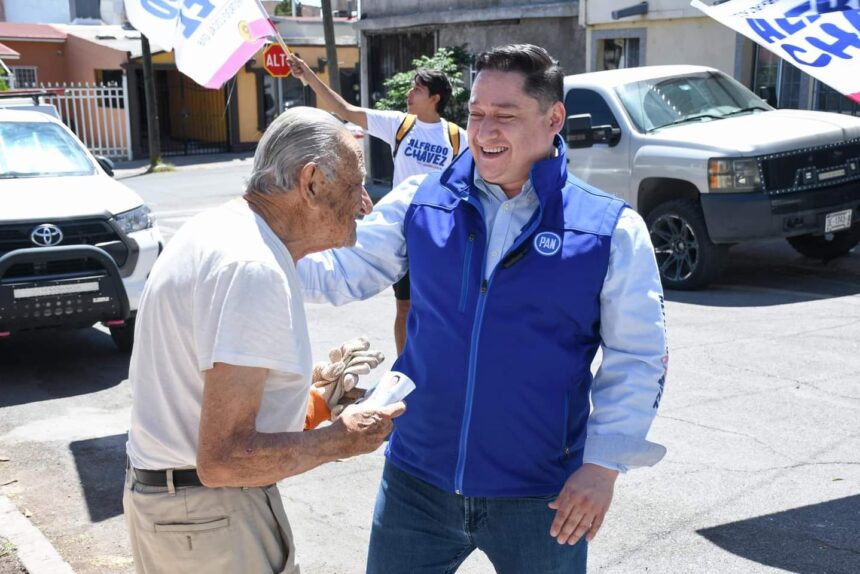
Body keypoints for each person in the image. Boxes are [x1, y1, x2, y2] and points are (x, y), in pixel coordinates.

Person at [297, 44, 668, 574]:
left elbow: (639, 356)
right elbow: (337, 274)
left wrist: (603, 467)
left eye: (505, 115)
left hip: (542, 495)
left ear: (553, 118)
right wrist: (257, 239)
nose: (484, 130)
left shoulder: (610, 228)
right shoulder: (422, 200)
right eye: (475, 114)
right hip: (416, 484)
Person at [123, 107, 405, 574]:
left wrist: (314, 393)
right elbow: (225, 459)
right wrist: (343, 439)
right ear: (312, 183)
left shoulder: (222, 231)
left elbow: (203, 388)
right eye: (357, 186)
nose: (366, 204)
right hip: (209, 514)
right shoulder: (253, 267)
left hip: (187, 512)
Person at [287, 53, 467, 356]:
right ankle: (403, 374)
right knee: (405, 305)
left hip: (437, 234)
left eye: (417, 90)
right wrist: (307, 75)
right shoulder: (400, 125)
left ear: (435, 98)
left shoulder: (456, 138)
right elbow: (343, 109)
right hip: (402, 232)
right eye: (410, 88)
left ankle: (434, 370)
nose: (409, 94)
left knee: (437, 307)